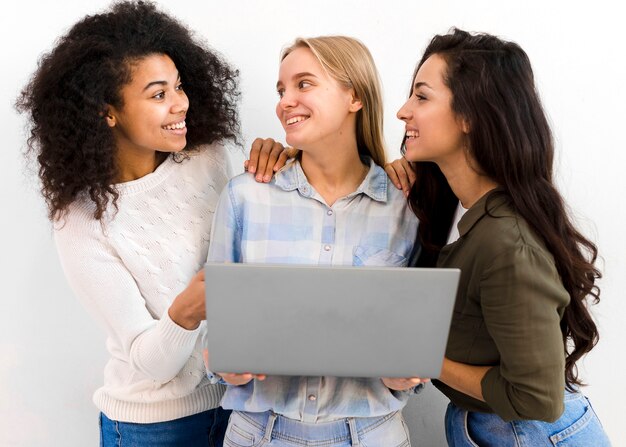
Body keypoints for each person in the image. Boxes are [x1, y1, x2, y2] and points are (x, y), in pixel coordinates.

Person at [16, 1, 288, 445]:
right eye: (158, 94)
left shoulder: (207, 158)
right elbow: (150, 361)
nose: (180, 104)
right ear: (108, 112)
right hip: (152, 425)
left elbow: (256, 240)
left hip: (241, 406)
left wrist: (285, 162)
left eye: (179, 87)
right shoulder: (83, 220)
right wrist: (185, 310)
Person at [393, 28, 610, 446]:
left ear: (469, 115)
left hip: (533, 434)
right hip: (490, 429)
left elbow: (536, 398)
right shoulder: (456, 207)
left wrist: (427, 360)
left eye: (422, 96)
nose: (403, 111)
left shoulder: (507, 242)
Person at [206, 36, 420, 446]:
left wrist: (403, 377)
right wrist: (222, 364)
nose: (286, 100)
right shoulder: (245, 196)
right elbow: (215, 326)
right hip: (258, 434)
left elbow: (411, 342)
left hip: (371, 434)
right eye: (281, 90)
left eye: (304, 84)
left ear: (354, 96)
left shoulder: (404, 207)